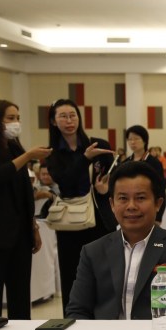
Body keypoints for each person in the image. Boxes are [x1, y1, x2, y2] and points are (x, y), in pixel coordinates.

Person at [66, 161, 166, 320]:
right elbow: (77, 310)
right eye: (123, 198)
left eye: (140, 198)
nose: (131, 206)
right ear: (112, 204)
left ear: (158, 204)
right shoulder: (93, 252)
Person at [0, 99, 52, 319]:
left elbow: (25, 192)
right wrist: (27, 157)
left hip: (20, 233)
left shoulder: (15, 147)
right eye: (11, 118)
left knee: (20, 293)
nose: (16, 122)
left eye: (18, 118)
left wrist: (33, 227)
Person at [44, 98, 116, 308]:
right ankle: (73, 317)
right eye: (63, 116)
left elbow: (114, 174)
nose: (69, 121)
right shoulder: (52, 153)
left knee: (103, 274)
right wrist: (84, 159)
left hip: (99, 219)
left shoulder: (98, 145)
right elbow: (64, 181)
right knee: (72, 276)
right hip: (69, 222)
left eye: (73, 115)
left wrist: (107, 187)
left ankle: (106, 318)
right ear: (54, 121)